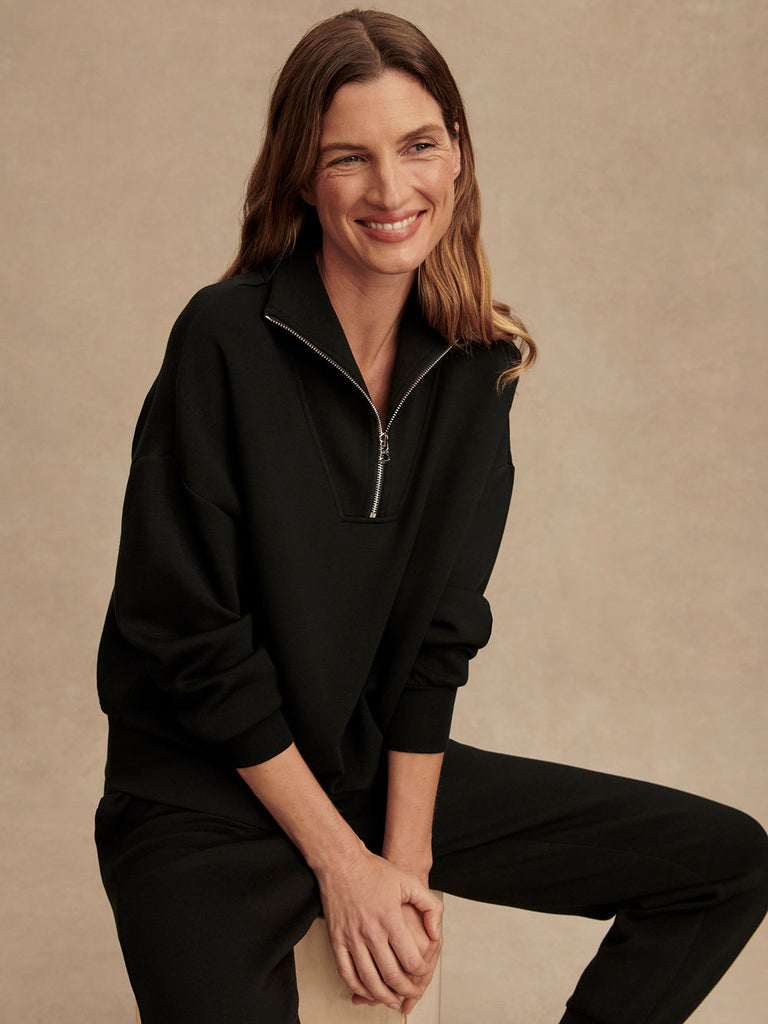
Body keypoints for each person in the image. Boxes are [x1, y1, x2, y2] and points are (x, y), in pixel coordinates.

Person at [95, 9, 768, 1023]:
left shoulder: (479, 368)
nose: (391, 189)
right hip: (199, 798)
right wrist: (343, 866)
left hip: (367, 775)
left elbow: (436, 643)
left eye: (417, 145)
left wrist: (401, 862)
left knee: (724, 865)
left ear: (457, 151)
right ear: (302, 176)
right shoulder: (224, 340)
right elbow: (191, 639)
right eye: (348, 158)